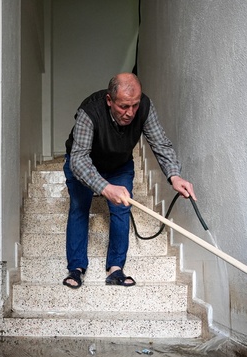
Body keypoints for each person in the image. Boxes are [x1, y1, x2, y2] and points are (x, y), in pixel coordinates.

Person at [62, 73, 196, 289]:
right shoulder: (90, 112)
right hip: (84, 162)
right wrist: (104, 187)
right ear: (109, 100)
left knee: (122, 209)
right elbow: (79, 160)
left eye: (134, 105)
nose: (130, 113)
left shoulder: (144, 106)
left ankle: (116, 269)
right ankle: (76, 268)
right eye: (124, 106)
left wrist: (174, 175)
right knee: (79, 206)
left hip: (119, 164)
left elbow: (160, 143)